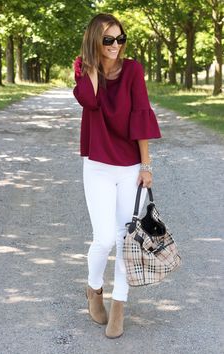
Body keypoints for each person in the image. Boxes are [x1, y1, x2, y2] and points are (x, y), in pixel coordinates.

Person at [73, 13, 161, 339]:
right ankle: (94, 290)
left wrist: (146, 165)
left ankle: (119, 305)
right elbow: (89, 102)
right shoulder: (86, 70)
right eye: (108, 39)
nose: (115, 45)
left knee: (126, 240)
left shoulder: (134, 70)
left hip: (128, 168)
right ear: (96, 40)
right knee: (104, 239)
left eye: (119, 38)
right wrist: (92, 67)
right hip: (97, 166)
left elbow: (140, 114)